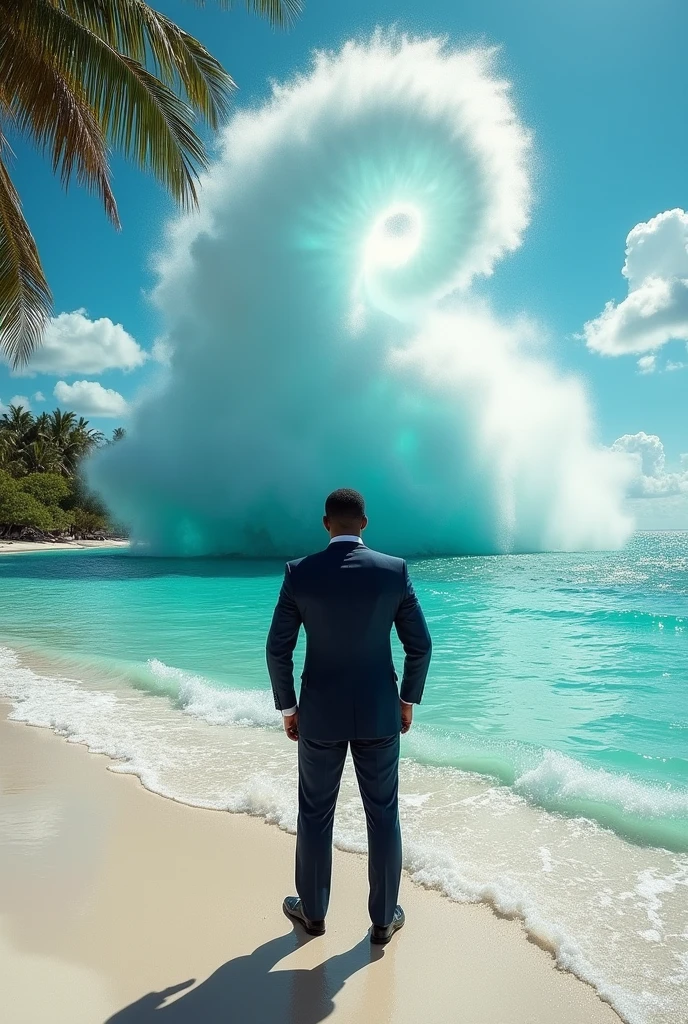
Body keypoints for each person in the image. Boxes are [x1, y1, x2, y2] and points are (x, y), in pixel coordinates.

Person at [266, 488, 432, 945]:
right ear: (364, 523)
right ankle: (383, 919)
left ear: (326, 524)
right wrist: (406, 699)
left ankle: (314, 913)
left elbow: (277, 648)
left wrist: (289, 707)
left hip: (318, 714)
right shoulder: (393, 571)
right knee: (383, 815)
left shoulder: (299, 573)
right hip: (380, 713)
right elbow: (421, 645)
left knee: (316, 814)